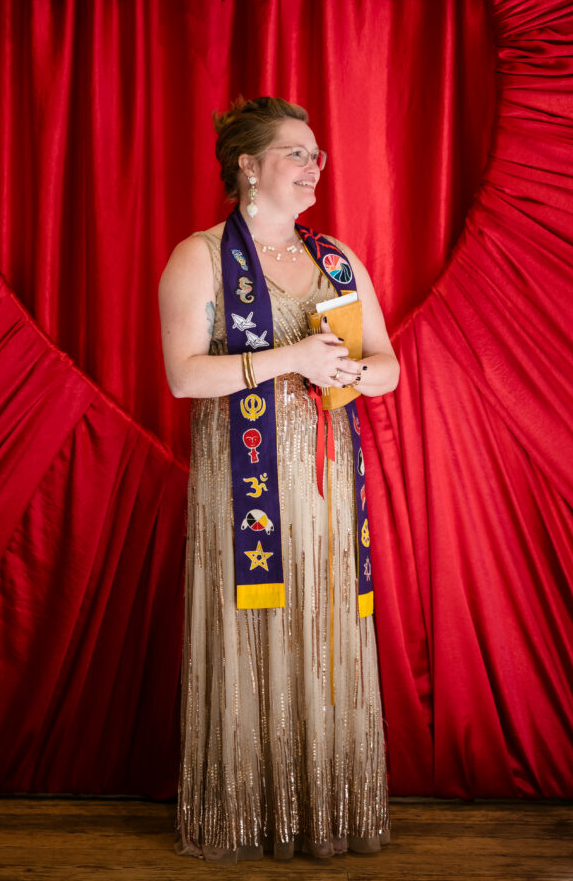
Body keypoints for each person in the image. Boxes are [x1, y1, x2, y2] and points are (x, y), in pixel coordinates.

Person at [158, 96, 399, 862]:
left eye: (316, 154)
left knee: (324, 629)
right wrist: (292, 359)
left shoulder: (335, 257)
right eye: (297, 152)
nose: (313, 166)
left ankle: (322, 810)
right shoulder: (200, 256)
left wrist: (353, 370)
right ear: (247, 165)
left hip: (329, 483)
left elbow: (388, 366)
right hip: (242, 491)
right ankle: (243, 817)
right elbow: (183, 378)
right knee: (250, 629)